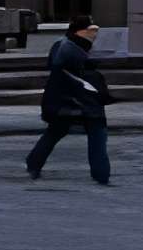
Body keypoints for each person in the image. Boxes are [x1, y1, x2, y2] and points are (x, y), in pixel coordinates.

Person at [24, 17, 114, 185]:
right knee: (89, 135)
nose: (94, 34)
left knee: (89, 135)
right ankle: (101, 175)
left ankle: (101, 175)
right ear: (79, 31)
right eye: (91, 30)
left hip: (77, 100)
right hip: (73, 99)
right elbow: (65, 70)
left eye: (95, 31)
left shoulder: (73, 46)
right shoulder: (68, 47)